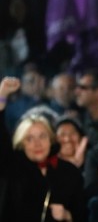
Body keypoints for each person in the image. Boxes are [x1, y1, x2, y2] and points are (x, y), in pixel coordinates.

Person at [0, 76, 86, 222]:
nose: (37, 144)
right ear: (21, 143)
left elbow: (83, 215)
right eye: (30, 139)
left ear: (51, 139)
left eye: (42, 137)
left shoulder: (70, 172)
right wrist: (2, 98)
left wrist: (67, 215)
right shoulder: (12, 168)